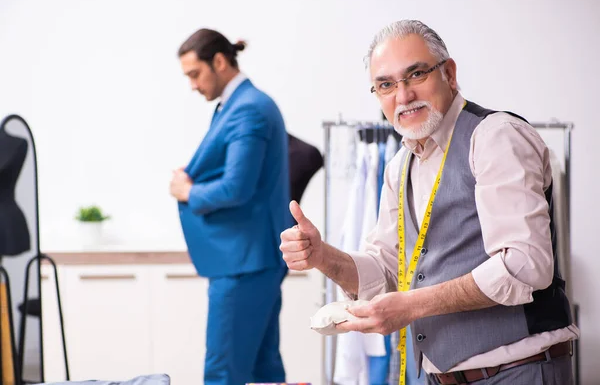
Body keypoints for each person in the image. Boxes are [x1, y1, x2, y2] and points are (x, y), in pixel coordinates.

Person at [280, 20, 578, 385]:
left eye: (416, 74)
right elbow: (386, 271)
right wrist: (323, 256)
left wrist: (413, 305)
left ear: (449, 74)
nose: (402, 96)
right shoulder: (399, 166)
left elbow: (526, 264)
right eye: (386, 85)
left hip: (519, 371)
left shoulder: (494, 137)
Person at [171, 28, 290, 385]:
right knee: (264, 370)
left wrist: (187, 192)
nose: (192, 85)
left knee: (223, 374)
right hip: (255, 259)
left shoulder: (248, 109)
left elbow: (236, 187)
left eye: (195, 74)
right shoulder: (241, 106)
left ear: (219, 62)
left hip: (244, 262)